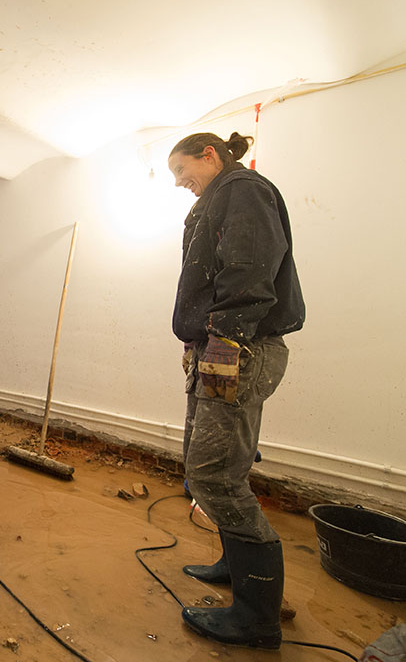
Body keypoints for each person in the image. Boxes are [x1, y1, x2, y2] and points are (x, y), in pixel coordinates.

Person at [168, 132, 305, 649]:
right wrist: (200, 345)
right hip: (220, 347)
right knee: (221, 464)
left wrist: (223, 344)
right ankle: (233, 565)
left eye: (184, 172)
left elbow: (248, 268)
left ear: (210, 155)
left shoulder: (242, 189)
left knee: (213, 474)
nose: (182, 184)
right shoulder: (216, 199)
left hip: (236, 349)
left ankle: (256, 618)